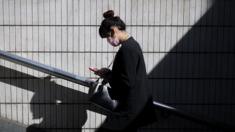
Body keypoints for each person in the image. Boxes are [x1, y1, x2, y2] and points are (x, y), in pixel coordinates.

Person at [91, 10, 157, 132]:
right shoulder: (131, 46)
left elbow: (126, 82)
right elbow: (127, 76)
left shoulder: (128, 49)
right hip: (133, 108)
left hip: (129, 110)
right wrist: (107, 73)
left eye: (107, 37)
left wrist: (109, 76)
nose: (108, 41)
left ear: (113, 31)